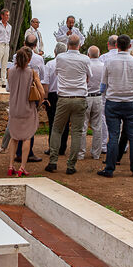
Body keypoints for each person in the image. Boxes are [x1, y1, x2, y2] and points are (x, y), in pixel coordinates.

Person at [97, 34, 133, 178]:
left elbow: (103, 86)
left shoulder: (109, 62)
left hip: (113, 102)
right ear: (130, 46)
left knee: (113, 135)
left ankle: (110, 168)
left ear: (116, 45)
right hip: (131, 102)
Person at [45, 35, 91, 175]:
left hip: (64, 97)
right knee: (76, 132)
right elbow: (89, 77)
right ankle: (71, 165)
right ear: (79, 45)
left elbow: (57, 73)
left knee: (57, 129)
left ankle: (53, 161)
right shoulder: (85, 59)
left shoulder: (60, 58)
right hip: (80, 97)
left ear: (67, 44)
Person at [0, 33, 45, 161]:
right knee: (28, 133)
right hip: (29, 101)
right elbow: (42, 88)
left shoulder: (11, 69)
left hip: (14, 103)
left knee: (14, 134)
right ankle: (25, 160)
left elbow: (8, 88)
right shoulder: (33, 69)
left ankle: (12, 162)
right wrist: (40, 102)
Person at [7, 47, 42, 177]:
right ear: (29, 59)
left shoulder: (10, 71)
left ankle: (11, 166)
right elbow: (41, 91)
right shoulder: (32, 73)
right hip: (27, 108)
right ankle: (22, 167)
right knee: (27, 137)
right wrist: (39, 104)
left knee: (14, 137)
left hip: (14, 108)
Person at [41, 42, 69, 156]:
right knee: (65, 122)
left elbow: (46, 83)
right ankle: (62, 148)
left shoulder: (50, 64)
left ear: (55, 52)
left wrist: (45, 97)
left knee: (53, 122)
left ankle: (53, 148)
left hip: (52, 95)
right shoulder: (68, 64)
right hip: (65, 94)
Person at [79, 46, 104, 160]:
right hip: (98, 97)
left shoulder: (85, 65)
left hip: (86, 97)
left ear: (88, 54)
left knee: (83, 126)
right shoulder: (103, 66)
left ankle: (81, 153)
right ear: (99, 54)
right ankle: (96, 153)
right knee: (97, 126)